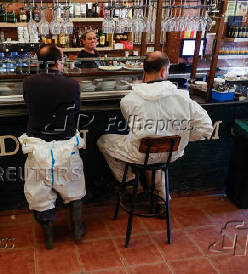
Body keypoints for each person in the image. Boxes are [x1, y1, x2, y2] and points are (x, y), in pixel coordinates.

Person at [97, 51, 213, 203]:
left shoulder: (128, 100)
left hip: (140, 153)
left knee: (104, 141)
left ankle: (130, 182)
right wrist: (181, 138)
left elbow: (133, 126)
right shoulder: (183, 97)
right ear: (164, 71)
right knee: (157, 150)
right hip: (171, 152)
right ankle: (162, 199)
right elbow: (206, 128)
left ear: (144, 71)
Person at [19, 45, 86, 249]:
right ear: (58, 62)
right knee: (74, 188)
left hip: (38, 148)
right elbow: (76, 111)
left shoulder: (28, 83)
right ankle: (76, 229)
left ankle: (48, 236)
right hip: (66, 147)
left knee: (40, 193)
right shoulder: (73, 85)